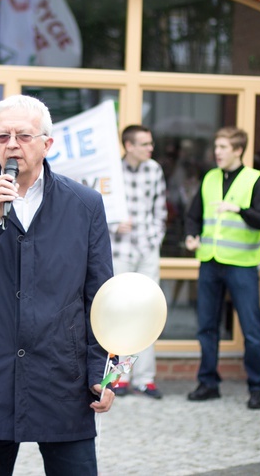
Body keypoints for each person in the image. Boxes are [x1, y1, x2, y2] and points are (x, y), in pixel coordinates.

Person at [0, 95, 115, 475]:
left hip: (62, 375)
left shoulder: (85, 204)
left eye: (23, 136)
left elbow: (100, 295)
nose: (11, 144)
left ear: (47, 143)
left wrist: (104, 372)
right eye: (2, 136)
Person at [184, 127, 260, 410]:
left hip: (242, 266)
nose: (217, 152)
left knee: (251, 329)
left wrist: (239, 210)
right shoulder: (210, 178)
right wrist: (191, 235)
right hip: (210, 261)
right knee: (207, 327)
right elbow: (193, 215)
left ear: (238, 150)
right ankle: (208, 383)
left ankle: (258, 387)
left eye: (223, 147)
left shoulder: (256, 180)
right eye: (217, 146)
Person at [109, 124, 166, 399]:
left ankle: (145, 379)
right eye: (145, 144)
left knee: (148, 313)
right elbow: (97, 210)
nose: (150, 149)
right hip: (119, 252)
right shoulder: (111, 171)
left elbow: (161, 210)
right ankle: (120, 377)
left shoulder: (154, 170)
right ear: (129, 146)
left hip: (146, 252)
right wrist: (113, 225)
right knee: (121, 315)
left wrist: (153, 238)